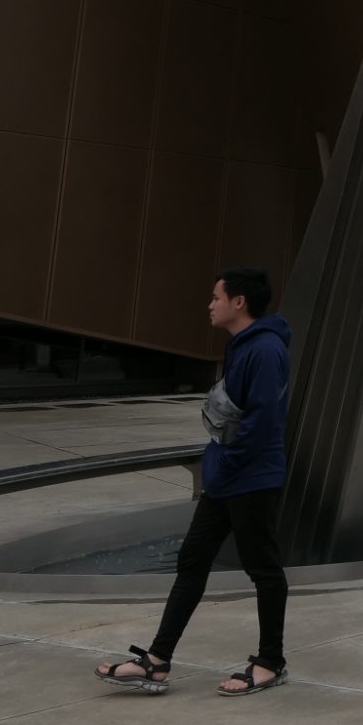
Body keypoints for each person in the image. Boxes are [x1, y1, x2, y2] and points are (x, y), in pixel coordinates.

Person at [94, 265, 291, 696]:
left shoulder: (265, 350)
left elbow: (264, 422)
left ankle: (270, 662)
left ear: (239, 302)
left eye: (216, 297)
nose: (210, 304)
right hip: (227, 477)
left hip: (252, 478)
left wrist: (231, 462)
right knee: (192, 561)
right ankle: (157, 661)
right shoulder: (242, 345)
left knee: (264, 569)